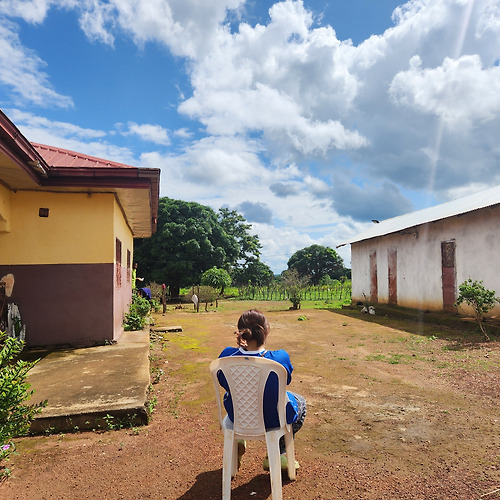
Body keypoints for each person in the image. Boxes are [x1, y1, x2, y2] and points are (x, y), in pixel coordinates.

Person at [217, 309, 307, 471]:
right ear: (266, 331)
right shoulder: (280, 358)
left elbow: (223, 381)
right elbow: (286, 381)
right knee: (300, 402)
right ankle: (279, 454)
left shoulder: (226, 356)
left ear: (240, 333)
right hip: (272, 420)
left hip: (238, 418)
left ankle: (237, 441)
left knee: (231, 395)